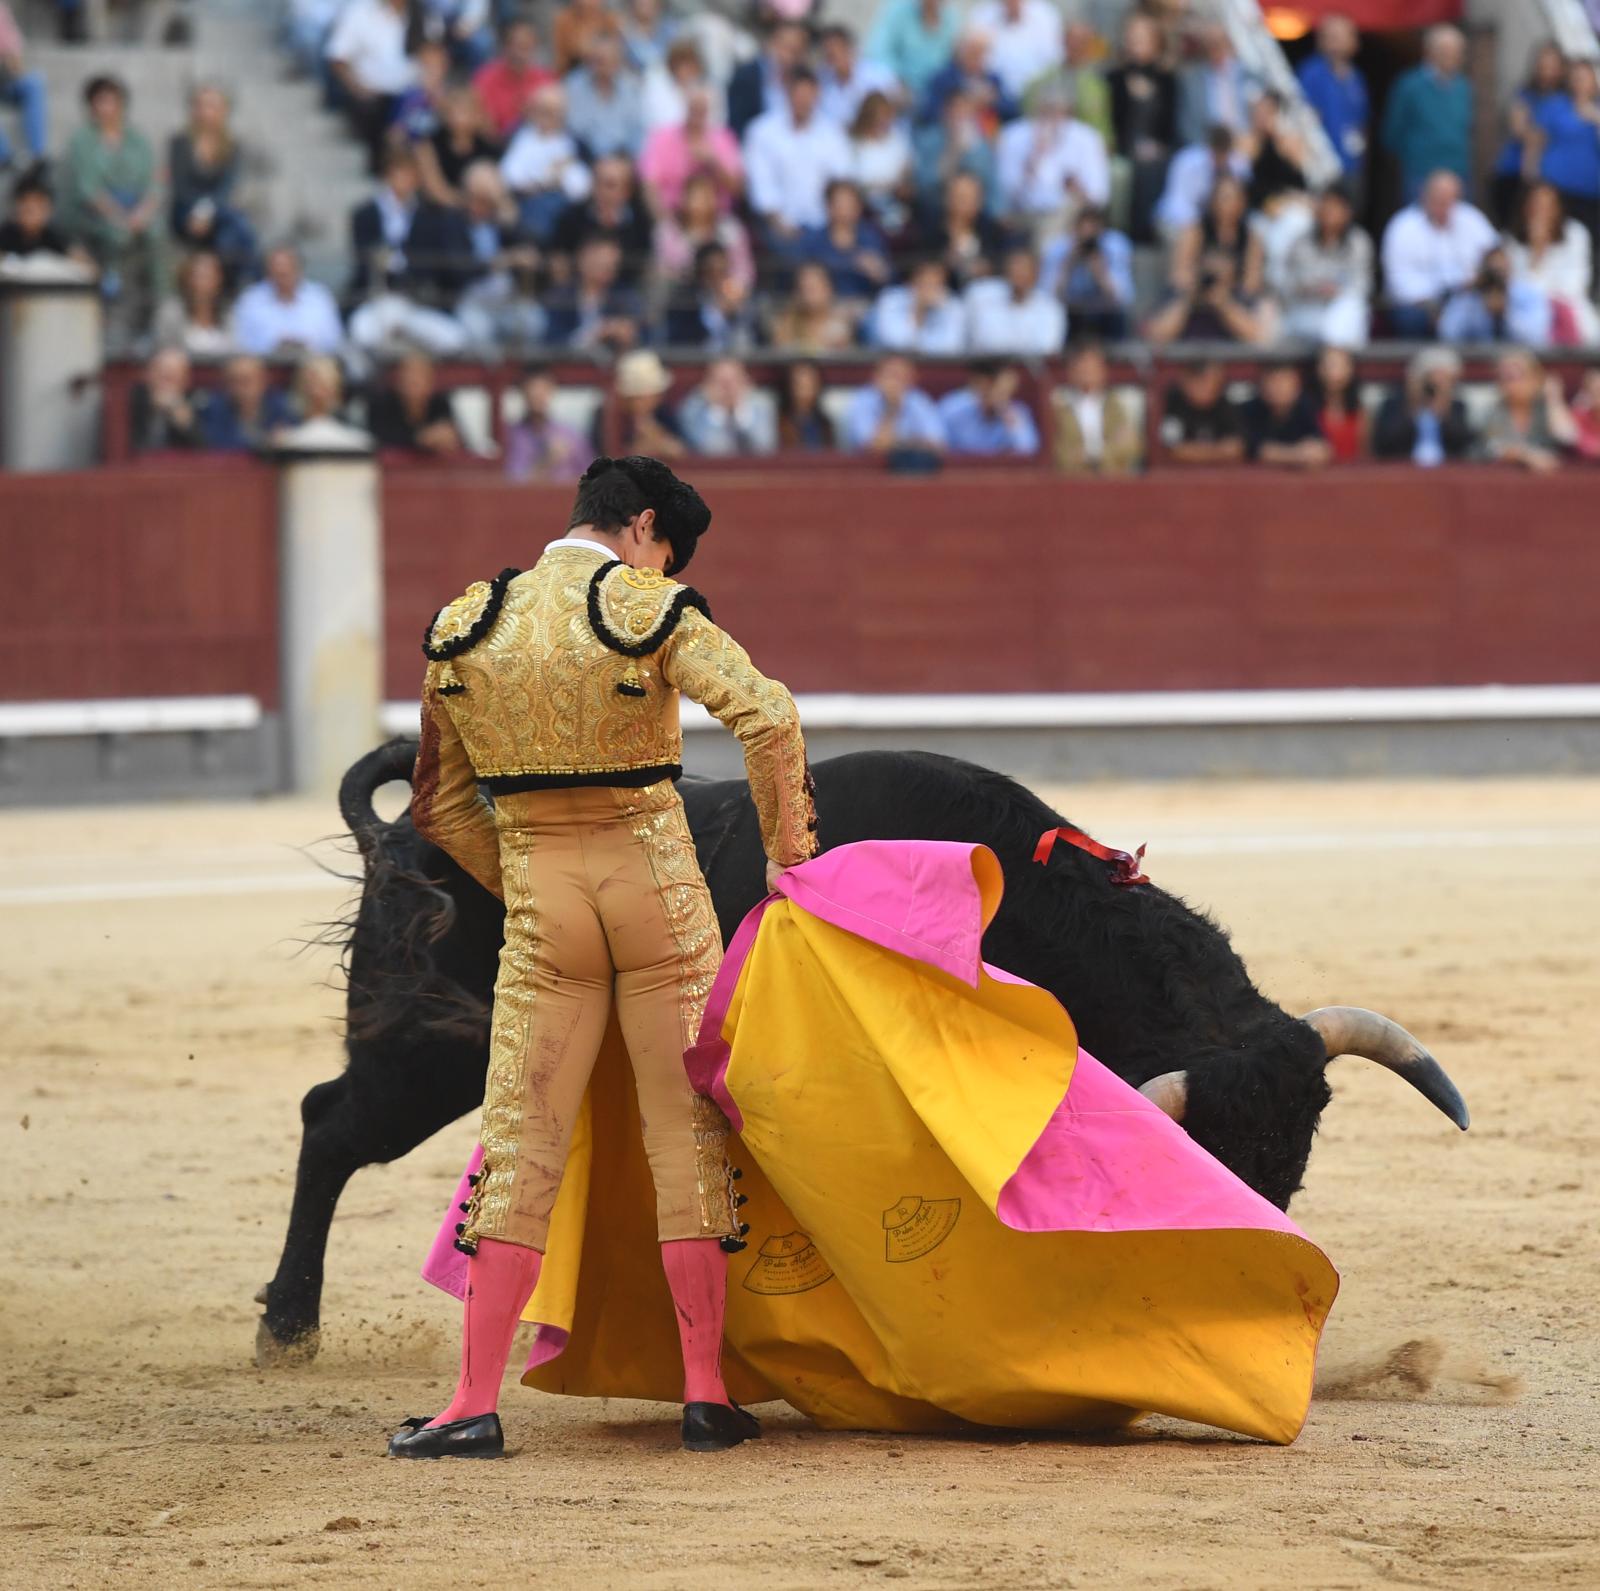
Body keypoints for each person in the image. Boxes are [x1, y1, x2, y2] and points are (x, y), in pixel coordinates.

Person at [395, 451, 815, 1460]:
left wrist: (528, 877)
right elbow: (769, 714)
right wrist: (785, 857)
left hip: (547, 904)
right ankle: (706, 1395)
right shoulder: (642, 606)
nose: (662, 571)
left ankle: (468, 1403)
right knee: (685, 1137)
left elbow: (439, 804)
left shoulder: (467, 625)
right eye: (664, 550)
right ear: (636, 527)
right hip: (657, 897)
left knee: (521, 1133)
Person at [59, 75, 166, 327]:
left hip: (135, 210)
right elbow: (89, 190)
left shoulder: (138, 140)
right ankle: (111, 295)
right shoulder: (82, 140)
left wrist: (141, 214)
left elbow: (155, 183)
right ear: (91, 106)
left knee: (156, 233)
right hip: (93, 214)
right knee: (118, 235)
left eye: (112, 101)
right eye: (100, 102)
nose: (107, 108)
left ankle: (160, 301)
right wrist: (120, 217)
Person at [1146, 173, 1271, 346]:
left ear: (1242, 202)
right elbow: (1178, 276)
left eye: (1229, 198)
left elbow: (1252, 284)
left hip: (1233, 301)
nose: (1223, 204)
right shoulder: (1195, 232)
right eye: (1219, 197)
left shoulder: (1250, 237)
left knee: (1262, 315)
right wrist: (1202, 276)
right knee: (1167, 316)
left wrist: (1226, 285)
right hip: (1194, 297)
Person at [1379, 170, 1496, 339]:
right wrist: (1434, 305)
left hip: (1469, 299)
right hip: (1420, 305)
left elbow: (1496, 256)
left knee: (1488, 310)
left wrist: (1481, 281)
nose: (1444, 205)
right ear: (1424, 196)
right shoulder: (1402, 227)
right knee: (1411, 318)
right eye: (1438, 199)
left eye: (1450, 199)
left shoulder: (1472, 219)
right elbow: (1398, 282)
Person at [745, 66, 855, 244]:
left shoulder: (833, 133)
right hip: (778, 227)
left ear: (817, 95)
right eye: (799, 94)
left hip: (826, 228)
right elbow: (762, 187)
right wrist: (779, 224)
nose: (804, 101)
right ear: (788, 93)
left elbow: (842, 180)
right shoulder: (762, 132)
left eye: (809, 95)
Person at [168, 84, 258, 276]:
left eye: (212, 106)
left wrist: (205, 212)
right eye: (201, 105)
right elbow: (181, 186)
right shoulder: (180, 143)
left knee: (230, 231)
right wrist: (198, 212)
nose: (206, 112)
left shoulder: (232, 146)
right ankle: (245, 279)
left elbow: (226, 187)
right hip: (185, 210)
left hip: (217, 210)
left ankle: (230, 279)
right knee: (238, 225)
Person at [994, 82, 1110, 231]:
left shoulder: (1087, 138)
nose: (1052, 118)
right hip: (1022, 215)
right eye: (1046, 110)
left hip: (1071, 219)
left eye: (1058, 111)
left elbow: (1099, 197)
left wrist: (1076, 188)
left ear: (1069, 111)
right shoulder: (1013, 136)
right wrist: (1033, 159)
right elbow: (1004, 195)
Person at [1381, 23, 1473, 204]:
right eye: (1445, 50)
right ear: (1429, 51)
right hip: (1421, 174)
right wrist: (1415, 156)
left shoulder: (1463, 87)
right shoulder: (1409, 85)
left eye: (1456, 51)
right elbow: (1392, 132)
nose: (1452, 56)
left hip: (1458, 173)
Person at [1106, 11, 1178, 243]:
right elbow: (1112, 122)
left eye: (1142, 38)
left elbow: (1171, 124)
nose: (1135, 43)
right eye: (1132, 37)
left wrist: (1158, 145)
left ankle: (1147, 230)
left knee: (1153, 166)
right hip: (1122, 146)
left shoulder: (1167, 81)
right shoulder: (1114, 79)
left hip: (1157, 150)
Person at [325, 0, 416, 170]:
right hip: (372, 95)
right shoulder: (359, 12)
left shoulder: (423, 13)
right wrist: (357, 89)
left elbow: (435, 55)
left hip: (411, 96)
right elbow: (337, 58)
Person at [1506, 182, 1599, 347]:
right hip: (1528, 318)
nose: (1543, 212)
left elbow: (1576, 285)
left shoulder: (1576, 234)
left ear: (1558, 208)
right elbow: (1518, 292)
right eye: (1537, 205)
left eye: (1548, 206)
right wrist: (1537, 251)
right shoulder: (1512, 240)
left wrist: (1547, 296)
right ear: (1526, 208)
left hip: (1570, 308)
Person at [498, 83, 593, 243]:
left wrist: (554, 178)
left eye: (555, 112)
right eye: (544, 111)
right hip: (523, 204)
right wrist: (550, 177)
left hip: (564, 210)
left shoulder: (576, 144)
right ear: (533, 112)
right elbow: (509, 176)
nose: (549, 117)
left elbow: (580, 189)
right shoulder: (518, 138)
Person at [1281, 185, 1372, 346]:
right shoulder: (1301, 242)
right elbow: (1288, 284)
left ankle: (1335, 362)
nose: (1329, 211)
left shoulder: (1359, 242)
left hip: (1342, 311)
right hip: (1307, 308)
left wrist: (1338, 291)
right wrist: (1312, 288)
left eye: (1336, 206)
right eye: (1325, 205)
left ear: (1348, 212)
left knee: (1348, 310)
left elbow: (1363, 286)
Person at [1490, 41, 1567, 227]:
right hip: (1515, 172)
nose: (1547, 72)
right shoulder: (1525, 93)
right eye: (1543, 65)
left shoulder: (1565, 98)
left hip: (1549, 177)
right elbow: (1519, 128)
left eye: (1552, 66)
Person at [638, 84, 743, 219]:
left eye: (703, 106)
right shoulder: (661, 138)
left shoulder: (724, 139)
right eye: (694, 106)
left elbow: (737, 189)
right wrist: (664, 221)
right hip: (674, 216)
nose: (698, 111)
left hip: (717, 218)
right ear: (685, 105)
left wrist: (714, 163)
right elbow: (649, 185)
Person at [1295, 13, 1368, 196]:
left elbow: (1362, 121)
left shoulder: (1356, 78)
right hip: (1321, 163)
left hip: (1351, 162)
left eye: (1342, 37)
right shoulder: (1311, 73)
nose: (1336, 43)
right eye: (1331, 37)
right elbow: (1303, 117)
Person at [1370, 345, 1475, 467]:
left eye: (1446, 379)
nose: (1436, 384)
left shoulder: (1457, 407)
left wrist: (1444, 410)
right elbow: (1386, 444)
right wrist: (1413, 406)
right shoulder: (1393, 405)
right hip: (1403, 468)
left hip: (1447, 469)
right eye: (1433, 377)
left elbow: (1464, 444)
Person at [231, 244, 345, 356]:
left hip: (311, 362)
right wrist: (274, 346)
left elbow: (333, 341)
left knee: (323, 370)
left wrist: (304, 346)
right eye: (277, 272)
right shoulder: (250, 300)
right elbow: (241, 343)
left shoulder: (320, 297)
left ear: (299, 270)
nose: (282, 277)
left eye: (287, 272)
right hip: (264, 364)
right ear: (267, 272)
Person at [1475, 348, 1576, 472]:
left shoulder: (1547, 407)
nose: (1510, 383)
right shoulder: (1493, 409)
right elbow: (1490, 448)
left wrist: (1554, 398)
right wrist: (1525, 455)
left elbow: (1567, 437)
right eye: (1506, 377)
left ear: (1536, 379)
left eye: (1518, 376)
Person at [1041, 205, 1133, 341]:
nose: (1087, 236)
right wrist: (1067, 266)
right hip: (1070, 314)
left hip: (1104, 314)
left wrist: (1101, 273)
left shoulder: (1114, 246)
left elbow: (1123, 298)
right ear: (1074, 229)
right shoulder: (1059, 249)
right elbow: (1046, 298)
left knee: (1118, 316)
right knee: (1053, 316)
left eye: (1093, 229)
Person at [653, 170, 754, 292]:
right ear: (684, 199)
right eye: (697, 196)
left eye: (708, 195)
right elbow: (665, 268)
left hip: (724, 293)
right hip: (681, 295)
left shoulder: (731, 228)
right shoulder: (668, 230)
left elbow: (743, 269)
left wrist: (733, 288)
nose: (703, 201)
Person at [792, 178, 891, 302]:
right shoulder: (812, 241)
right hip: (824, 308)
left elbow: (889, 278)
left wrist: (879, 272)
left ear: (858, 206)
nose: (844, 209)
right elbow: (801, 277)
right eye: (839, 203)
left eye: (849, 203)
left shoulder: (871, 238)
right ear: (828, 206)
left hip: (865, 306)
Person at [1051, 339, 1140, 473]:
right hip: (1073, 484)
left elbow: (1130, 446)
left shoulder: (1116, 406)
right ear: (1071, 371)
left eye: (1092, 367)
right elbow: (1059, 453)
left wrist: (1091, 454)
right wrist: (1106, 452)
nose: (1087, 373)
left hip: (1114, 481)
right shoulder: (1059, 407)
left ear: (1103, 370)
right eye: (1082, 367)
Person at [1436, 245, 1551, 347]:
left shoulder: (1528, 294)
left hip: (1519, 356)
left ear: (1510, 268)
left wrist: (1506, 313)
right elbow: (1447, 333)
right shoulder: (1471, 295)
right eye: (1492, 272)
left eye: (1501, 271)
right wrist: (1470, 296)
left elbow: (1537, 336)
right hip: (1480, 358)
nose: (1497, 278)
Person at [544, 235, 643, 351]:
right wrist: (596, 333)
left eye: (614, 265)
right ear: (583, 261)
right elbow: (551, 343)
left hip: (613, 363)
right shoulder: (559, 297)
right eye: (603, 263)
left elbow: (644, 336)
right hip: (568, 364)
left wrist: (628, 335)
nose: (610, 269)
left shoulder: (625, 295)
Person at [965, 243, 1065, 355]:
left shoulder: (1050, 308)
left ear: (1035, 273)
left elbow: (1047, 348)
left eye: (1023, 268)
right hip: (991, 368)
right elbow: (983, 343)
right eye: (1014, 267)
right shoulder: (984, 299)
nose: (1018, 273)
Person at [658, 240, 756, 350]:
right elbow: (683, 340)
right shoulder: (684, 300)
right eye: (711, 271)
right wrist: (718, 314)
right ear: (700, 272)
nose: (717, 278)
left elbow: (750, 340)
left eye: (722, 271)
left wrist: (735, 314)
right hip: (697, 361)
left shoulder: (737, 298)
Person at [919, 168, 1007, 289]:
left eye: (971, 197)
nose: (965, 202)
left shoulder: (992, 230)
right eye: (960, 196)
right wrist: (944, 263)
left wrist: (987, 268)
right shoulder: (931, 231)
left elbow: (1004, 262)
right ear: (947, 197)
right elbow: (920, 266)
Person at [472, 16, 555, 141]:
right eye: (515, 46)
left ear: (535, 47)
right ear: (505, 46)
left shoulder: (545, 79)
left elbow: (555, 125)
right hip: (497, 147)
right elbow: (483, 127)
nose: (519, 54)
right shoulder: (485, 78)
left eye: (526, 47)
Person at [416, 86, 501, 209]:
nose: (460, 118)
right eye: (456, 111)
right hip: (440, 211)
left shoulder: (487, 146)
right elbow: (436, 190)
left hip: (480, 212)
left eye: (466, 111)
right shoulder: (429, 144)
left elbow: (492, 189)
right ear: (445, 114)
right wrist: (466, 203)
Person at [565, 33, 645, 162]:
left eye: (611, 59)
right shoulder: (574, 86)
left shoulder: (630, 87)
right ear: (590, 60)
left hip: (622, 159)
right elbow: (575, 129)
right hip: (584, 157)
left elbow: (636, 131)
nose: (604, 65)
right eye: (599, 60)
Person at [843, 353, 945, 453]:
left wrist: (898, 444)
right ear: (876, 377)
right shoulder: (862, 401)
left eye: (901, 377)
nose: (894, 382)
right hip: (866, 467)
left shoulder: (918, 400)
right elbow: (874, 447)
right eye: (890, 375)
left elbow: (938, 444)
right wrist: (892, 408)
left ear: (912, 380)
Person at [504, 366, 593, 481]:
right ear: (523, 392)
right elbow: (511, 482)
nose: (537, 395)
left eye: (543, 389)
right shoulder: (513, 436)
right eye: (532, 389)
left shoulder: (571, 435)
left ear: (552, 391)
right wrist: (546, 461)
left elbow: (592, 477)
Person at [1178, 23, 1259, 147]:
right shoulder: (1192, 80)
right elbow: (1187, 125)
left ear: (1228, 43)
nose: (1215, 48)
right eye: (1210, 43)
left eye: (1219, 42)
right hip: (1209, 146)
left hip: (1244, 142)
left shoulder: (1247, 74)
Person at [727, 18, 810, 140]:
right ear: (771, 43)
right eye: (783, 47)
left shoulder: (801, 84)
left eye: (794, 52)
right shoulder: (747, 76)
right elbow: (735, 126)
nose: (785, 57)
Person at [933, 358, 1037, 455]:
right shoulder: (952, 407)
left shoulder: (1016, 411)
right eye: (991, 384)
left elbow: (1027, 451)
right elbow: (936, 447)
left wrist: (1008, 415)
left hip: (998, 472)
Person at [676, 356, 777, 456]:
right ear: (707, 385)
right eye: (721, 382)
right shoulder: (692, 410)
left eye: (734, 381)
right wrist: (718, 411)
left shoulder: (763, 404)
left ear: (746, 382)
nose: (728, 388)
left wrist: (739, 413)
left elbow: (764, 447)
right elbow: (708, 449)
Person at [966, 0, 1062, 103]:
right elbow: (972, 59)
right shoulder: (982, 14)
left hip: (1037, 97)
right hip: (993, 96)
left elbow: (1055, 60)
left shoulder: (1045, 15)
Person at [366, 352, 462, 454]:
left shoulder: (440, 402)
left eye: (419, 378)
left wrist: (447, 437)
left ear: (430, 382)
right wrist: (420, 439)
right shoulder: (381, 403)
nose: (413, 382)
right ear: (399, 381)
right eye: (408, 377)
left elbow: (455, 438)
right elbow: (378, 439)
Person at [866, 0, 958, 105]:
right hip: (896, 81)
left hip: (928, 92)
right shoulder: (898, 8)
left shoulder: (951, 18)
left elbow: (947, 60)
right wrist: (900, 81)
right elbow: (878, 50)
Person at [1240, 363, 1331, 469]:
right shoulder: (1248, 410)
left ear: (1296, 385)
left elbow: (1321, 448)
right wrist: (1297, 455)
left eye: (1284, 382)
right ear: (1261, 385)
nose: (1278, 388)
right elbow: (1255, 449)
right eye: (1273, 382)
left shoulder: (1307, 407)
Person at [870, 256, 967, 354]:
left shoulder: (953, 304)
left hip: (936, 364)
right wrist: (918, 309)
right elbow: (892, 341)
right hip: (896, 359)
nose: (929, 286)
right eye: (924, 280)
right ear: (913, 279)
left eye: (936, 281)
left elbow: (951, 346)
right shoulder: (891, 298)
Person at [200, 353, 292, 452]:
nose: (239, 389)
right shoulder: (213, 410)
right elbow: (215, 445)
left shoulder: (281, 407)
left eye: (246, 381)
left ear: (263, 381)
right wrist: (264, 444)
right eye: (233, 382)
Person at [848, 91, 913, 231]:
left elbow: (906, 173)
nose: (883, 121)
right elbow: (853, 182)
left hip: (895, 203)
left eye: (887, 115)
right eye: (878, 116)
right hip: (865, 208)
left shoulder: (897, 140)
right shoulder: (855, 145)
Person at [154, 247, 235, 358]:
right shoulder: (170, 313)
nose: (203, 283)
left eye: (209, 276)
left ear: (219, 280)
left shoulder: (229, 314)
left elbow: (236, 354)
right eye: (199, 276)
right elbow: (164, 353)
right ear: (187, 279)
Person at [1159, 359, 1244, 465]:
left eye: (1216, 383)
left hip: (1221, 477)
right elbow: (1173, 450)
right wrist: (1218, 451)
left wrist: (1197, 451)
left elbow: (1236, 448)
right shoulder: (1173, 402)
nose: (1212, 387)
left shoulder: (1224, 403)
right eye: (1204, 381)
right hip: (1180, 476)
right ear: (1188, 381)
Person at [0, 171, 93, 265]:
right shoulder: (5, 234)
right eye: (28, 208)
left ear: (48, 210)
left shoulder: (55, 237)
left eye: (39, 207)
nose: (33, 213)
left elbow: (88, 267)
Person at [817, 23, 899, 129]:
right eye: (828, 53)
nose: (833, 56)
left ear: (849, 48)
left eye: (836, 50)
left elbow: (899, 101)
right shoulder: (823, 82)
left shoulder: (877, 74)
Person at [608, 348, 685, 456]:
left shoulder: (663, 412)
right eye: (654, 393)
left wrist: (656, 436)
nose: (659, 397)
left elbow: (679, 451)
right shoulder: (611, 417)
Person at [767, 259, 857, 353]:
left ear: (828, 289)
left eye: (813, 289)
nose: (807, 295)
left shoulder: (840, 327)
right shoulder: (784, 325)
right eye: (803, 288)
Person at [0, 2, 48, 174]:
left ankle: (37, 156)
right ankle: (4, 156)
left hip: (3, 80)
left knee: (34, 83)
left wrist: (12, 64)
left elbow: (13, 52)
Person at [128, 345, 203, 452]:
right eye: (161, 374)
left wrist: (187, 426)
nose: (164, 384)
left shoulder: (199, 402)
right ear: (147, 375)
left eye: (171, 377)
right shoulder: (130, 402)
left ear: (186, 381)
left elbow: (206, 452)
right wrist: (150, 408)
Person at [1309, 343, 1365, 463]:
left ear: (1350, 369)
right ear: (1319, 369)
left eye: (1339, 366)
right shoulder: (1307, 409)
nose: (1333, 373)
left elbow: (1366, 451)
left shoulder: (1360, 411)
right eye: (1328, 366)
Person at [776, 358, 835, 449]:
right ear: (789, 386)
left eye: (809, 384)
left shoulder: (825, 425)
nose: (804, 391)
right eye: (799, 384)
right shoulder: (779, 423)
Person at [551, 0, 622, 76]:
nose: (586, 3)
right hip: (574, 70)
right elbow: (562, 58)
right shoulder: (564, 20)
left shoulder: (609, 19)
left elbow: (616, 50)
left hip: (607, 73)